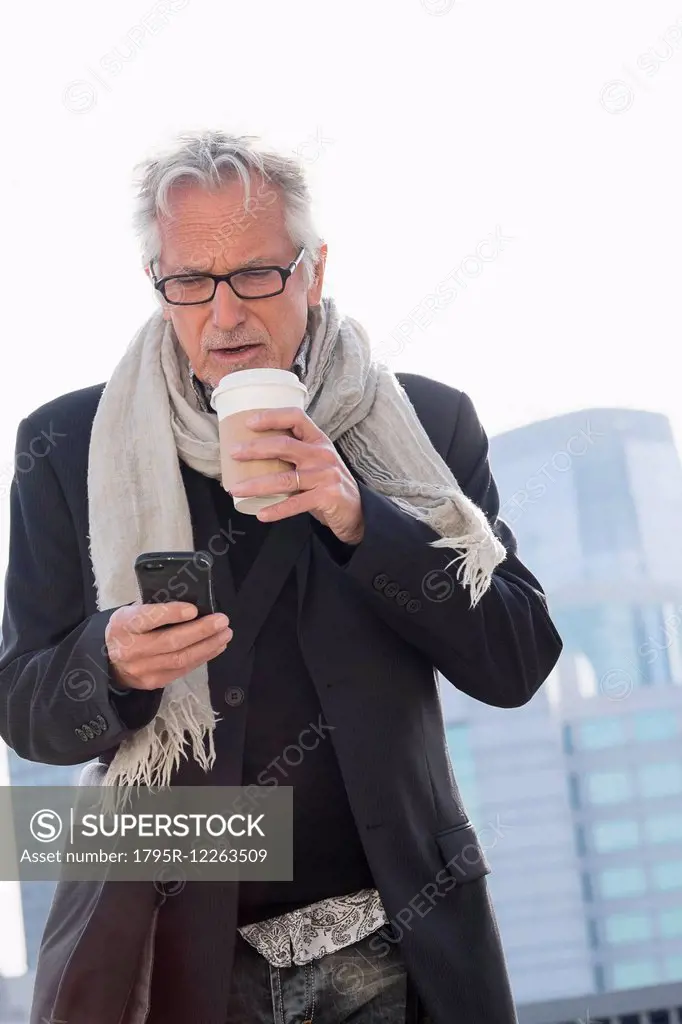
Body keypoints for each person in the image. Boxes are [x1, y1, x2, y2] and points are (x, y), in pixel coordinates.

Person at [0, 130, 562, 1024]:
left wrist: (360, 517)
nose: (223, 316)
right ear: (160, 283)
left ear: (314, 270)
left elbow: (517, 659)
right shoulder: (70, 447)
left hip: (402, 939)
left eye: (257, 275)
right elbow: (23, 706)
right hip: (179, 951)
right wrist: (109, 663)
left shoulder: (429, 425)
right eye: (190, 281)